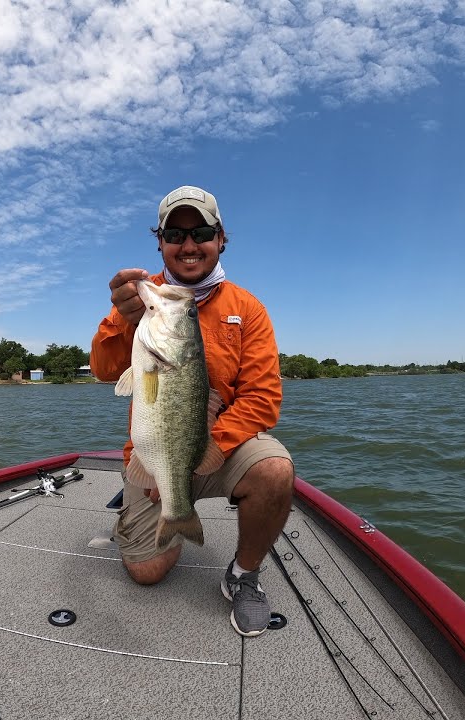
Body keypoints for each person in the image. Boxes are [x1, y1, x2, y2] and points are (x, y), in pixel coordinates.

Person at [90, 184, 295, 637]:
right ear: (159, 243)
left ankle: (243, 575)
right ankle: (158, 517)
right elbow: (106, 371)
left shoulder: (248, 309)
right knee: (147, 572)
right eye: (174, 235)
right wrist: (120, 320)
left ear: (220, 239)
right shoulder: (141, 303)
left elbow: (262, 398)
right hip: (152, 453)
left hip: (216, 445)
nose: (188, 245)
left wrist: (204, 451)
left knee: (276, 469)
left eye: (201, 232)